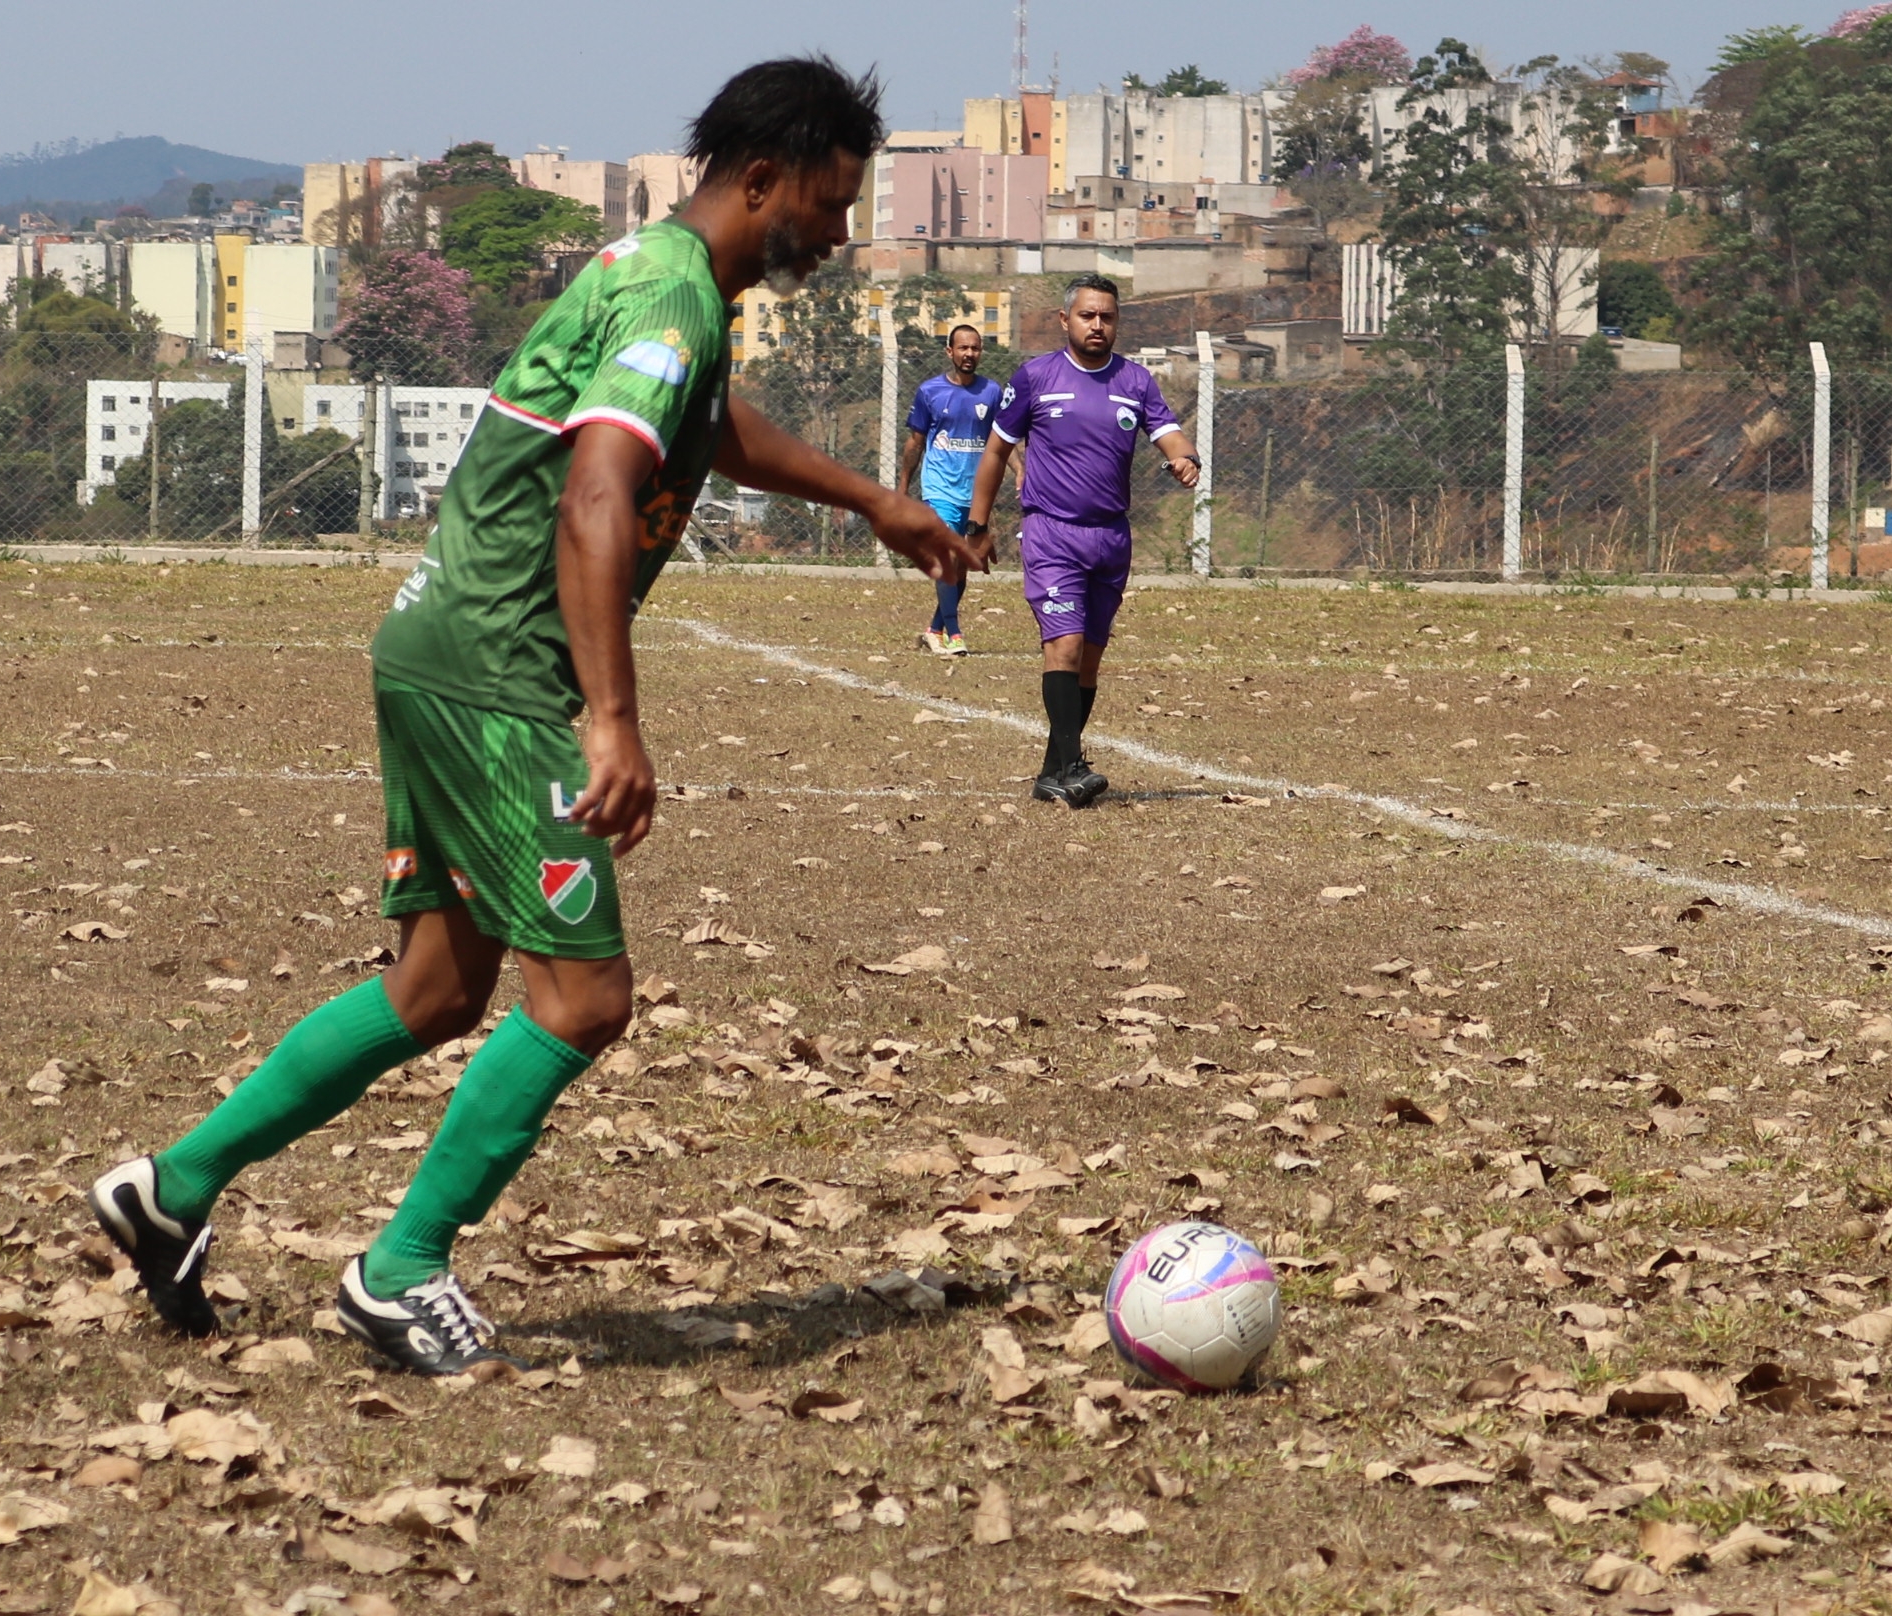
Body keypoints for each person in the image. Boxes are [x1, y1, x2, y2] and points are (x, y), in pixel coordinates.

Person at [88, 57, 974, 1376]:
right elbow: (598, 493)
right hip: (498, 674)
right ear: (765, 179)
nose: (839, 233)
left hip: (438, 645)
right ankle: (399, 1270)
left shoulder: (658, 277)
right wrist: (610, 718)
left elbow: (707, 424)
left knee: (439, 988)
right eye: (833, 203)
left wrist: (873, 499)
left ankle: (171, 1188)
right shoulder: (674, 295)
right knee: (585, 997)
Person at [966, 274, 1200, 807]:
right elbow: (996, 452)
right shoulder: (1035, 377)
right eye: (1088, 315)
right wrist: (977, 528)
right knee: (1065, 646)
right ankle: (1073, 765)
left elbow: (1168, 433)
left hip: (1111, 538)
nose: (1098, 325)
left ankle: (1053, 771)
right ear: (1064, 320)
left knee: (1089, 658)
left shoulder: (1136, 381)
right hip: (1052, 532)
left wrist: (1186, 458)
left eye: (1107, 317)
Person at [897, 324, 1003, 655]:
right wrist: (902, 488)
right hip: (939, 489)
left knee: (962, 567)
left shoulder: (992, 392)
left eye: (975, 348)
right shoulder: (930, 392)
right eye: (963, 348)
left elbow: (1002, 442)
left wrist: (1021, 473)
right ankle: (955, 635)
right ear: (950, 352)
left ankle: (934, 629)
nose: (969, 354)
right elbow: (915, 444)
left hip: (976, 494)